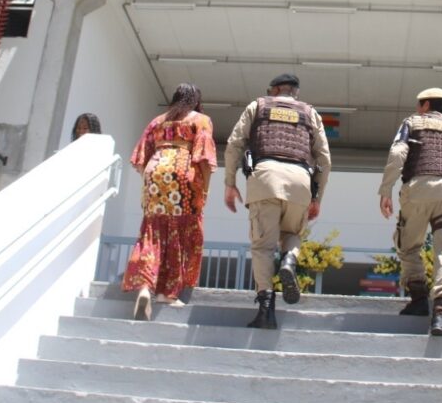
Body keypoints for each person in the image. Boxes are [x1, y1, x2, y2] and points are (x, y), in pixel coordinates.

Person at [224, 73, 332, 329]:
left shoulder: (257, 106)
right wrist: (317, 196)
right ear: (294, 92)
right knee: (292, 233)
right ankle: (289, 260)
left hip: (265, 178)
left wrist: (230, 183)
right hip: (300, 181)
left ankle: (266, 309)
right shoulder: (310, 113)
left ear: (274, 90)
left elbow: (234, 144)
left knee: (262, 247)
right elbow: (324, 159)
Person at [378, 88, 442, 336]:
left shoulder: (412, 122)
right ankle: (441, 315)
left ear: (426, 104)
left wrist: (386, 189)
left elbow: (398, 152)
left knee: (408, 246)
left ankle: (419, 299)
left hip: (418, 191)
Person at [122, 83, 217, 321]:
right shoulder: (200, 120)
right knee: (181, 232)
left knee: (152, 231)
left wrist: (150, 184)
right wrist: (204, 189)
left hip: (155, 173)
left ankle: (145, 287)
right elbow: (204, 159)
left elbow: (140, 159)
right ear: (196, 100)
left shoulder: (157, 120)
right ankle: (168, 294)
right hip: (184, 174)